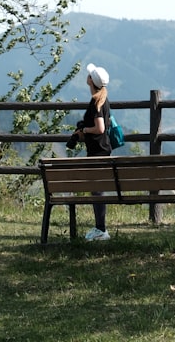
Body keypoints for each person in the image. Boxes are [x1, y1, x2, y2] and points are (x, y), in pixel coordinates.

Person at [68, 62, 113, 241]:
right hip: (103, 151)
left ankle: (101, 229)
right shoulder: (103, 100)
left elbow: (99, 128)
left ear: (90, 81)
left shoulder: (96, 102)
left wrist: (85, 131)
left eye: (88, 76)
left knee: (97, 191)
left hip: (97, 153)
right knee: (97, 190)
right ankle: (100, 228)